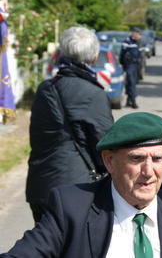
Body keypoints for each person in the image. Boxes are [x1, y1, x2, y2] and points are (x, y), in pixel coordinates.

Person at [2, 112, 162, 258]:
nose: (149, 171)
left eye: (158, 158)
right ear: (109, 161)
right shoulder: (71, 209)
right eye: (136, 158)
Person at [25, 27, 114, 223]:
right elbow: (106, 146)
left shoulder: (45, 89)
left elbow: (37, 137)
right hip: (77, 189)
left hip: (40, 186)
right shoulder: (94, 93)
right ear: (94, 57)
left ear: (61, 53)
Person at [120, 27, 142, 109]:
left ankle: (128, 101)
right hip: (129, 65)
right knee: (131, 83)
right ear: (134, 34)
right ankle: (133, 102)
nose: (139, 36)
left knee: (132, 83)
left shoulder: (137, 42)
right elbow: (122, 55)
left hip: (136, 65)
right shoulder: (127, 42)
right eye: (138, 34)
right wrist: (123, 65)